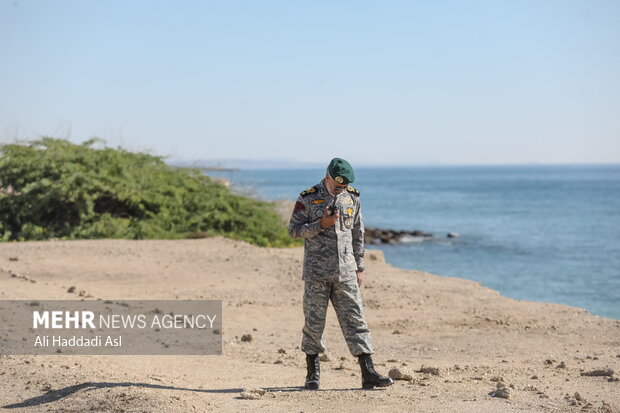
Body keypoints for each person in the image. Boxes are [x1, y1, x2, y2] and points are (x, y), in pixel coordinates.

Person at [288, 158, 393, 390]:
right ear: (327, 176)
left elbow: (358, 232)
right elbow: (294, 231)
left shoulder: (352, 197)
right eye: (337, 186)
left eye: (343, 187)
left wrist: (359, 266)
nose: (340, 190)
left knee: (356, 320)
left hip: (346, 272)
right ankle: (312, 373)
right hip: (317, 273)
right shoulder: (307, 197)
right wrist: (321, 224)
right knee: (314, 323)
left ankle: (368, 372)